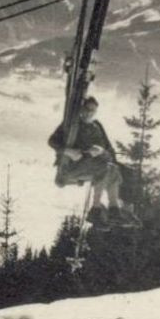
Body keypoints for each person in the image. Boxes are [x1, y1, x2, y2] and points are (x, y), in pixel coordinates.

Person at [48, 96, 136, 225]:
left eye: (93, 110)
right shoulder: (72, 125)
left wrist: (103, 152)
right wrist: (69, 151)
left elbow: (108, 147)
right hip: (77, 163)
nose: (89, 113)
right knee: (105, 168)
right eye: (87, 109)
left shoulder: (97, 125)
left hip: (98, 159)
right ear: (82, 109)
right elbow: (52, 141)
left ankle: (121, 211)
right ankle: (96, 210)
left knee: (125, 171)